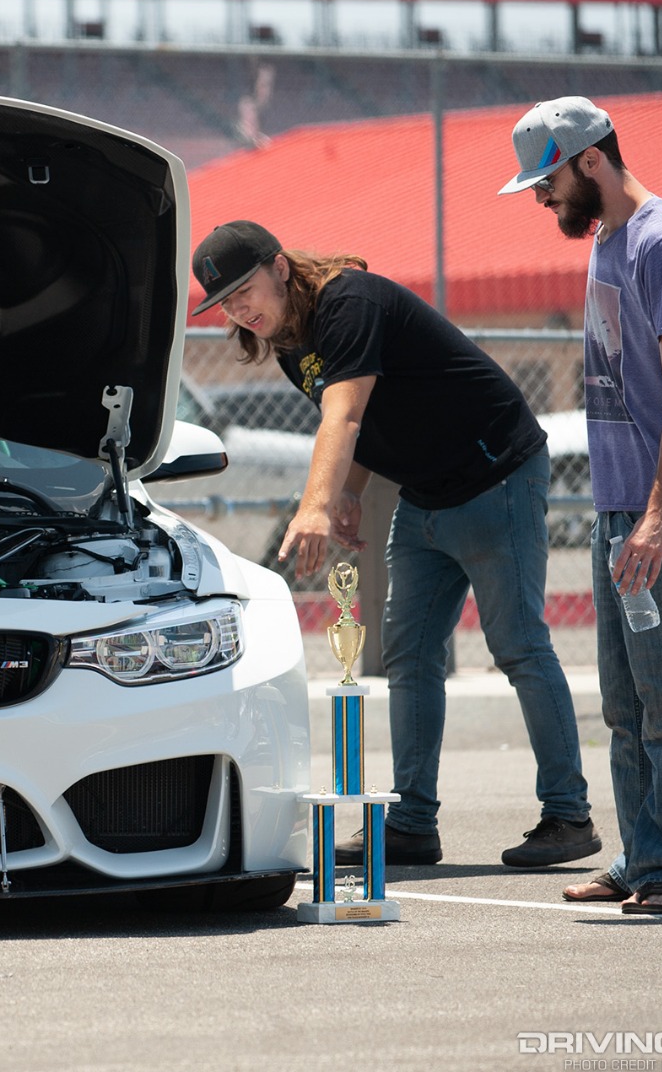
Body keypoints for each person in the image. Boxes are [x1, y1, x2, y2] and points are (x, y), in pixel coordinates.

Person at [189, 220, 598, 868]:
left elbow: (344, 416)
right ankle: (411, 824)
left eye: (245, 290)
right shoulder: (294, 341)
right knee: (407, 656)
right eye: (225, 303)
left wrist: (317, 506)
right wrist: (349, 491)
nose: (240, 309)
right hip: (426, 496)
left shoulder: (349, 303)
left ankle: (568, 816)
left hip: (499, 476)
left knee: (517, 644)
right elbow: (362, 421)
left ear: (281, 267)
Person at [501, 97, 662, 915]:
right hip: (619, 507)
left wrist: (659, 516)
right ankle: (641, 858)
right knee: (626, 706)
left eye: (547, 180)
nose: (541, 198)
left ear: (589, 160)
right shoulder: (606, 238)